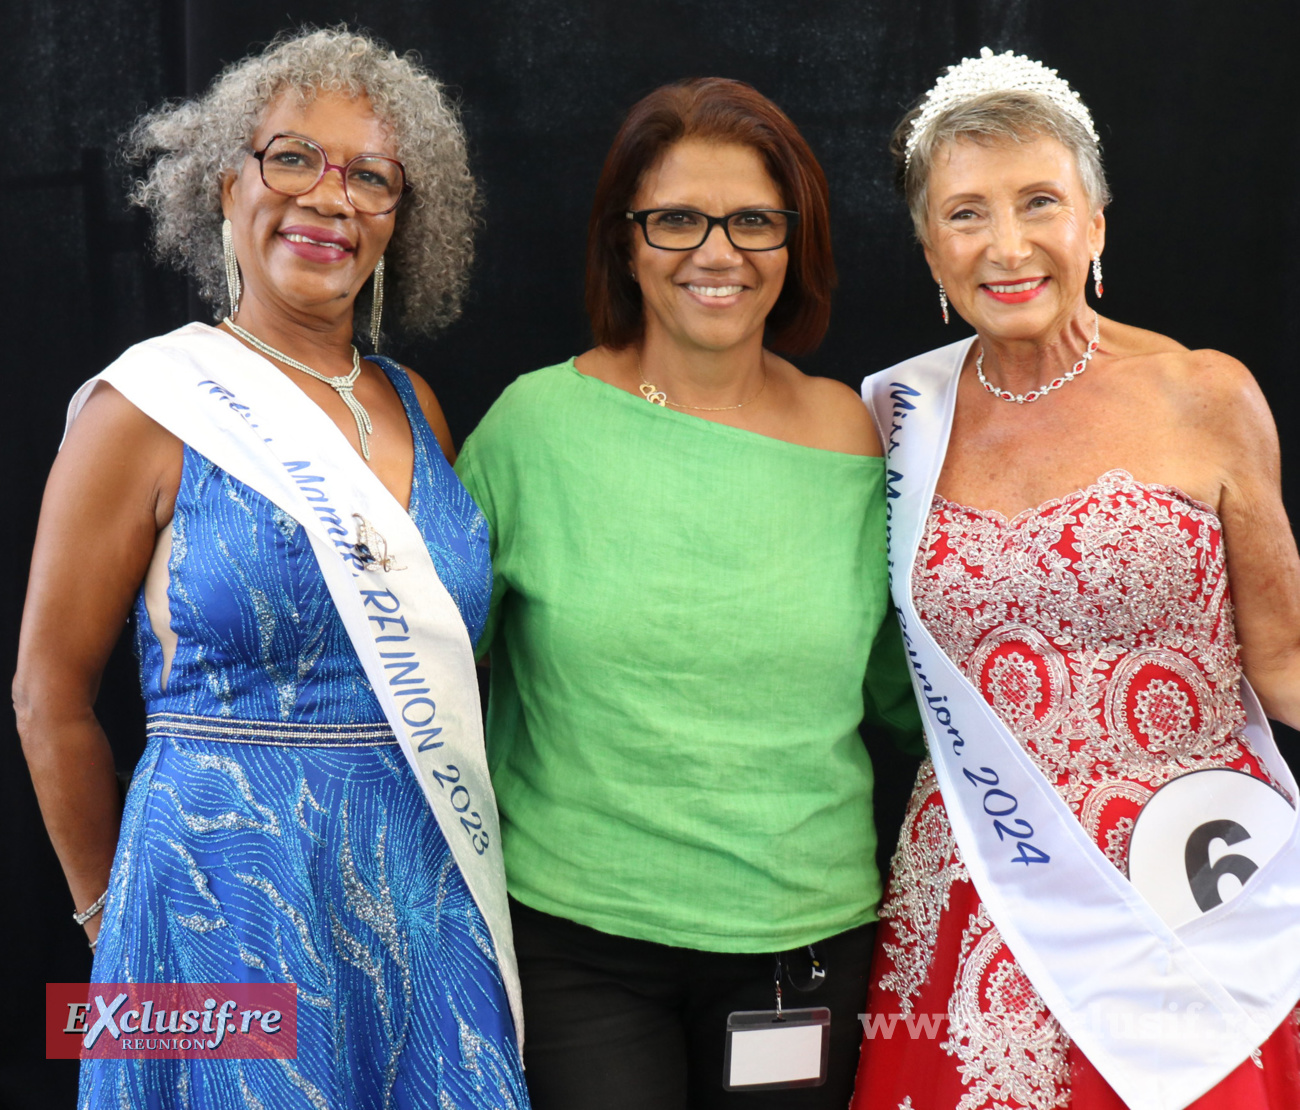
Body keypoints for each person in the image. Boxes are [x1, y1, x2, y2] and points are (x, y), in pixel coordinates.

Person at [14, 27, 529, 1109]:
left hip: (420, 887)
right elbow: (47, 695)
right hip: (216, 900)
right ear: (224, 184)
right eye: (293, 158)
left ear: (400, 218)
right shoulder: (147, 406)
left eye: (371, 176)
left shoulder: (416, 405)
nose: (330, 198)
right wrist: (116, 924)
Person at [453, 77, 917, 1110]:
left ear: (793, 242)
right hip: (581, 941)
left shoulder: (855, 437)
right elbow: (427, 672)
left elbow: (909, 690)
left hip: (804, 942)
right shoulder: (533, 429)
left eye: (753, 220)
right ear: (624, 242)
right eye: (676, 220)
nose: (718, 252)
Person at [851, 49, 1300, 1110]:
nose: (1006, 246)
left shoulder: (1205, 395)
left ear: (1094, 224)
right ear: (929, 249)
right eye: (966, 214)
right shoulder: (891, 420)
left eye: (1039, 202)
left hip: (1193, 891)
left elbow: (1284, 661)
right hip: (982, 884)